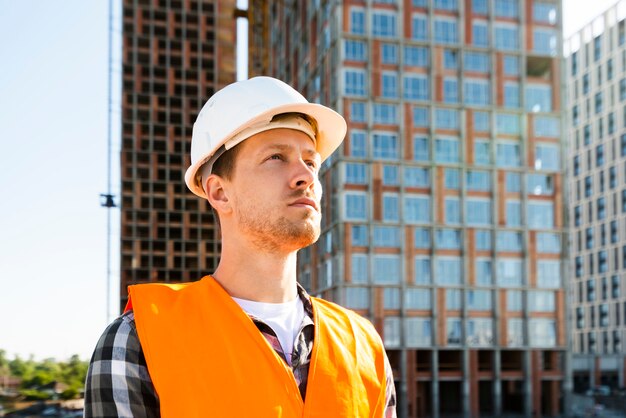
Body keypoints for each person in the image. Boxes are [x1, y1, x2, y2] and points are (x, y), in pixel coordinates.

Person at [84, 76, 397, 417]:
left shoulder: (363, 344)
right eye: (276, 157)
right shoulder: (138, 340)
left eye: (311, 161)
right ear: (219, 192)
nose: (305, 176)